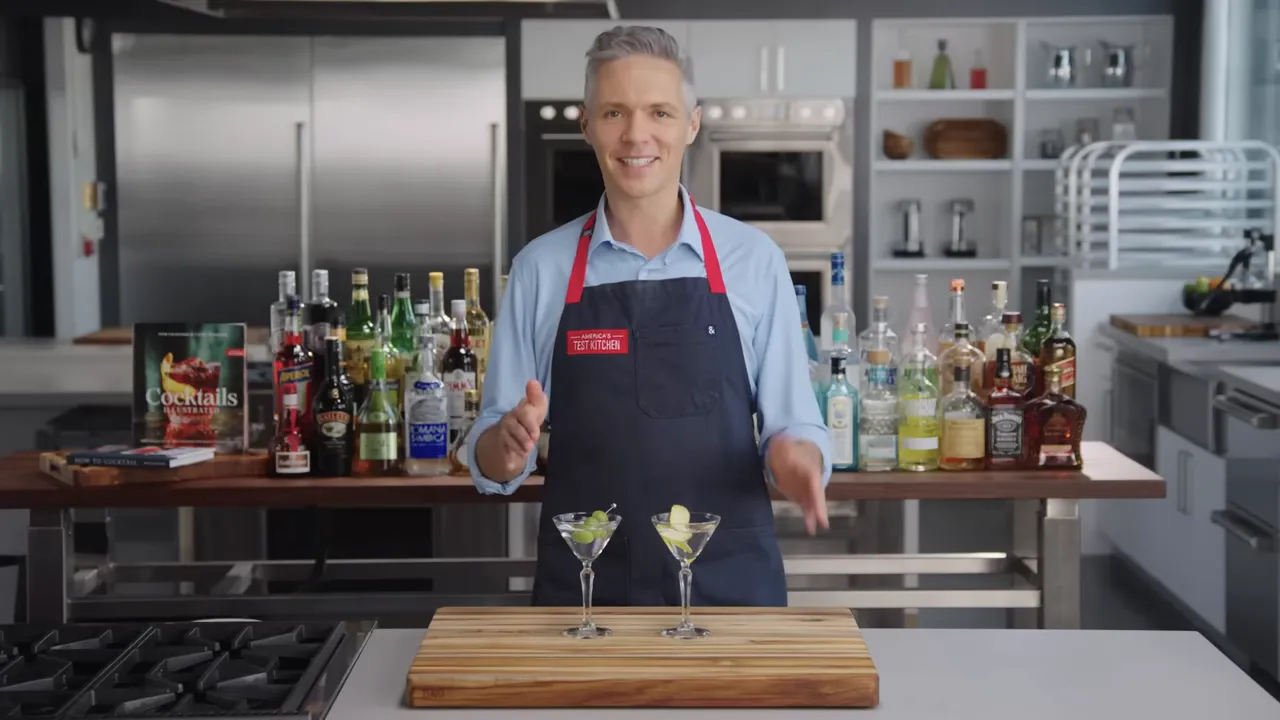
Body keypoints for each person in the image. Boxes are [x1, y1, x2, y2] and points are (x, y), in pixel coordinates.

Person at [467, 25, 831, 607]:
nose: (637, 135)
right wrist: (504, 448)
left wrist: (796, 458)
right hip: (586, 590)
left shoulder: (753, 260)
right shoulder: (539, 269)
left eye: (660, 112)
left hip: (728, 587)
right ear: (587, 125)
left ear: (691, 124)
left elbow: (795, 424)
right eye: (615, 112)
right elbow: (493, 448)